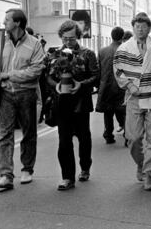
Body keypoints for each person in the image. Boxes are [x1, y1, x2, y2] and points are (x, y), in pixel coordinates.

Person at [114, 12, 151, 191]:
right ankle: (140, 164)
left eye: (144, 26)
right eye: (137, 26)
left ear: (149, 28)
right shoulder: (124, 48)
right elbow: (118, 70)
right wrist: (130, 86)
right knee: (133, 137)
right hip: (134, 98)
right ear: (133, 27)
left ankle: (149, 175)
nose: (140, 29)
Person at [0, 9, 45, 189]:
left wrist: (10, 75)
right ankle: (6, 175)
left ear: (17, 23)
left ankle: (27, 169)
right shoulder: (0, 43)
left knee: (28, 133)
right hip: (5, 94)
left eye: (7, 19)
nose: (3, 22)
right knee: (4, 134)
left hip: (26, 93)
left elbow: (36, 70)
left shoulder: (35, 44)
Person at [46, 20, 98, 191]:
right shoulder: (54, 54)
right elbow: (48, 77)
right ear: (61, 36)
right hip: (62, 103)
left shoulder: (87, 54)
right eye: (65, 38)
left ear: (78, 36)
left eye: (72, 38)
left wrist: (81, 85)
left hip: (81, 102)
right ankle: (67, 177)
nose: (68, 42)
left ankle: (85, 167)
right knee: (64, 141)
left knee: (84, 138)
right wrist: (56, 86)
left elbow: (96, 77)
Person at [96, 27, 126, 145]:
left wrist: (99, 86)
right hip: (121, 86)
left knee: (108, 113)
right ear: (122, 37)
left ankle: (108, 134)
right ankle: (127, 136)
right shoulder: (125, 51)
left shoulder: (102, 51)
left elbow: (99, 71)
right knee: (123, 112)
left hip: (106, 86)